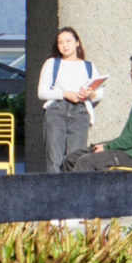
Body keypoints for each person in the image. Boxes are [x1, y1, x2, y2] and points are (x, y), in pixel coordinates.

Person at [61, 55, 132, 171]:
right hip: (126, 149)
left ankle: (82, 189)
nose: (130, 73)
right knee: (71, 158)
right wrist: (108, 146)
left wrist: (108, 147)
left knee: (86, 161)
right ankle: (69, 188)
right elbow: (130, 138)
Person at [37, 26, 105, 173]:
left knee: (76, 158)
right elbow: (42, 92)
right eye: (60, 42)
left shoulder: (88, 66)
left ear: (77, 43)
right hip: (56, 110)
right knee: (54, 158)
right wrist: (65, 94)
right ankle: (54, 193)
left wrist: (89, 94)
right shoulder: (52, 63)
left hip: (81, 111)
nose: (64, 45)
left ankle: (73, 194)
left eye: (68, 41)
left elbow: (100, 93)